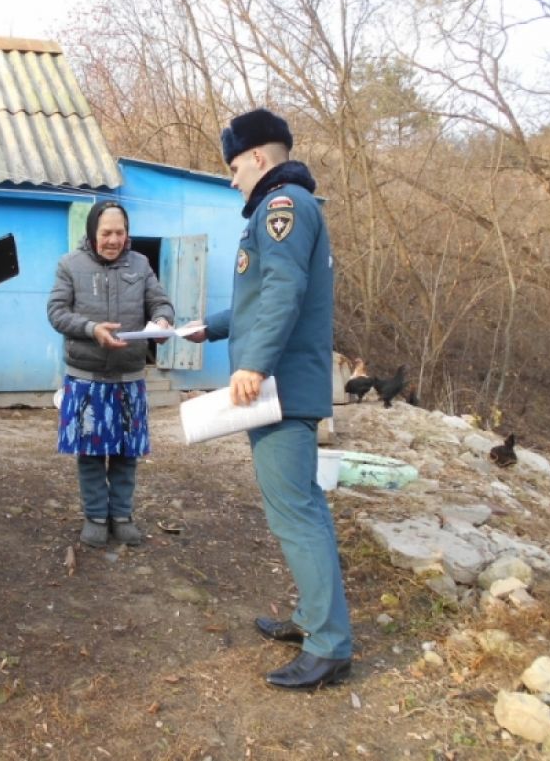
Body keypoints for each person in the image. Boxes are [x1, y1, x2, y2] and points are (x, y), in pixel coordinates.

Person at [185, 108, 353, 689]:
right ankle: (313, 619)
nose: (232, 179)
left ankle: (329, 645)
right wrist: (211, 327)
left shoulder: (282, 207)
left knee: (294, 513)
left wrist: (253, 363)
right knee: (303, 505)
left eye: (234, 167)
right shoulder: (291, 207)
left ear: (259, 157)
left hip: (279, 389)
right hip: (288, 386)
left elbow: (285, 288)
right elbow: (265, 298)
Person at [47, 200, 174, 548]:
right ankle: (95, 517)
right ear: (93, 232)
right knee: (89, 453)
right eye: (106, 233)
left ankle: (122, 516)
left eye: (120, 232)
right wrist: (90, 329)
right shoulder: (70, 265)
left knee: (125, 453)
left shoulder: (141, 263)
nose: (114, 240)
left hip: (129, 377)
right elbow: (56, 312)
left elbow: (161, 303)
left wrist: (163, 321)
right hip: (86, 376)